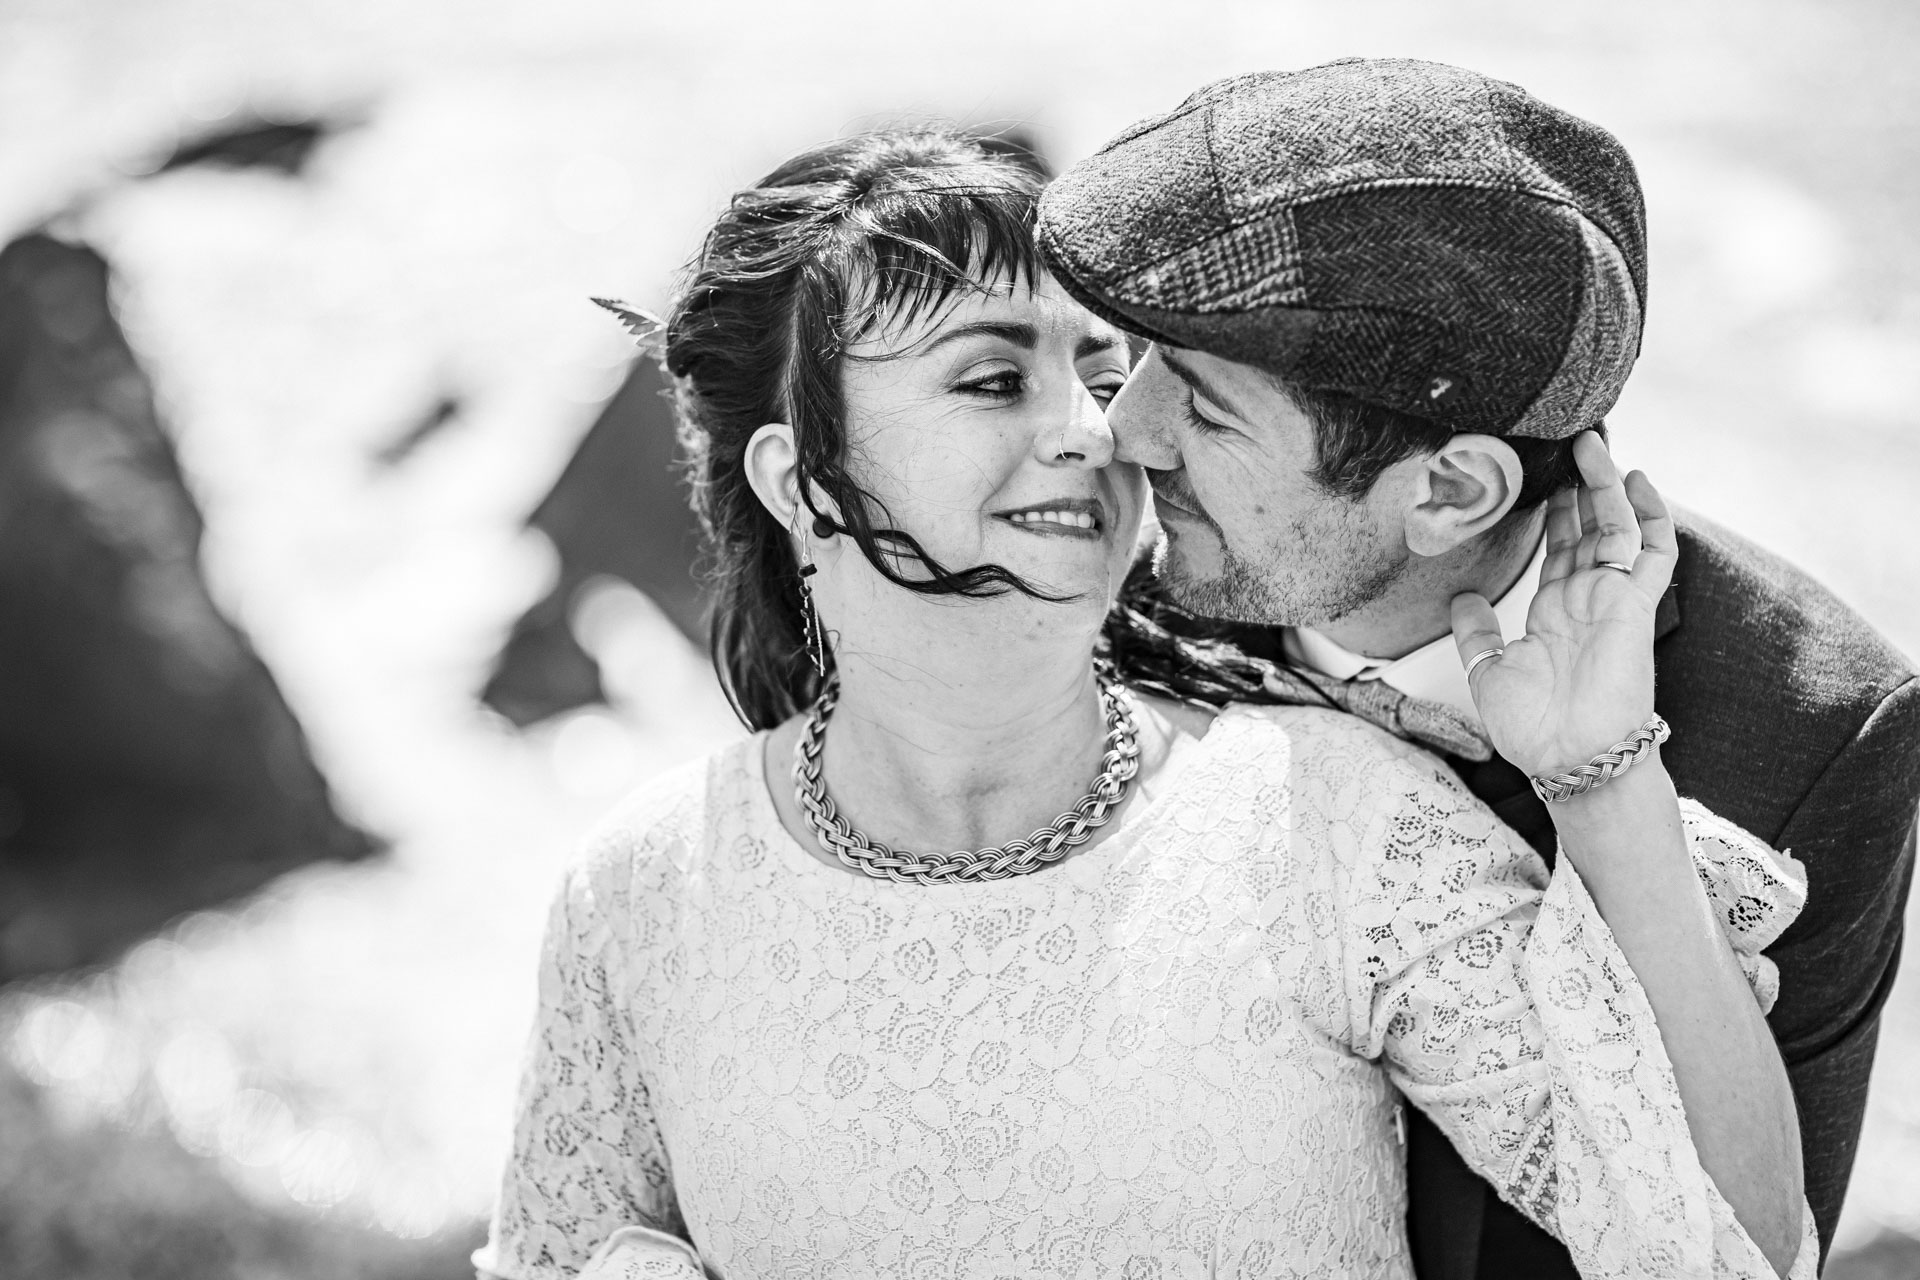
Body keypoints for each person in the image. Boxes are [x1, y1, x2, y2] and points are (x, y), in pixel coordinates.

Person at [474, 127, 1814, 1280]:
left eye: (1103, 373)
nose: (1094, 429)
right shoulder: (641, 893)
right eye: (997, 379)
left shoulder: (1330, 828)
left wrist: (1602, 776)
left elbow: (1723, 1247)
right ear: (797, 474)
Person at [1036, 57, 1920, 1280]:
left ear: (1450, 490)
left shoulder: (1814, 724)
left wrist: (1606, 788)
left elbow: (1750, 1249)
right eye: (1132, 359)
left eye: (1205, 407)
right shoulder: (1082, 567)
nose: (1119, 433)